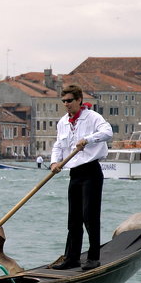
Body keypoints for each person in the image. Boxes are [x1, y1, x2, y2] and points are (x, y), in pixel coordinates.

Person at [50, 85, 113, 271]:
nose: (66, 104)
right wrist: (55, 163)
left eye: (69, 100)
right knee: (74, 219)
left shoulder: (93, 117)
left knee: (90, 217)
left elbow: (108, 132)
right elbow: (58, 146)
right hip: (75, 174)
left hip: (91, 172)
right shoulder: (62, 122)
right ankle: (72, 258)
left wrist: (89, 139)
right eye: (63, 101)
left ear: (79, 100)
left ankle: (93, 258)